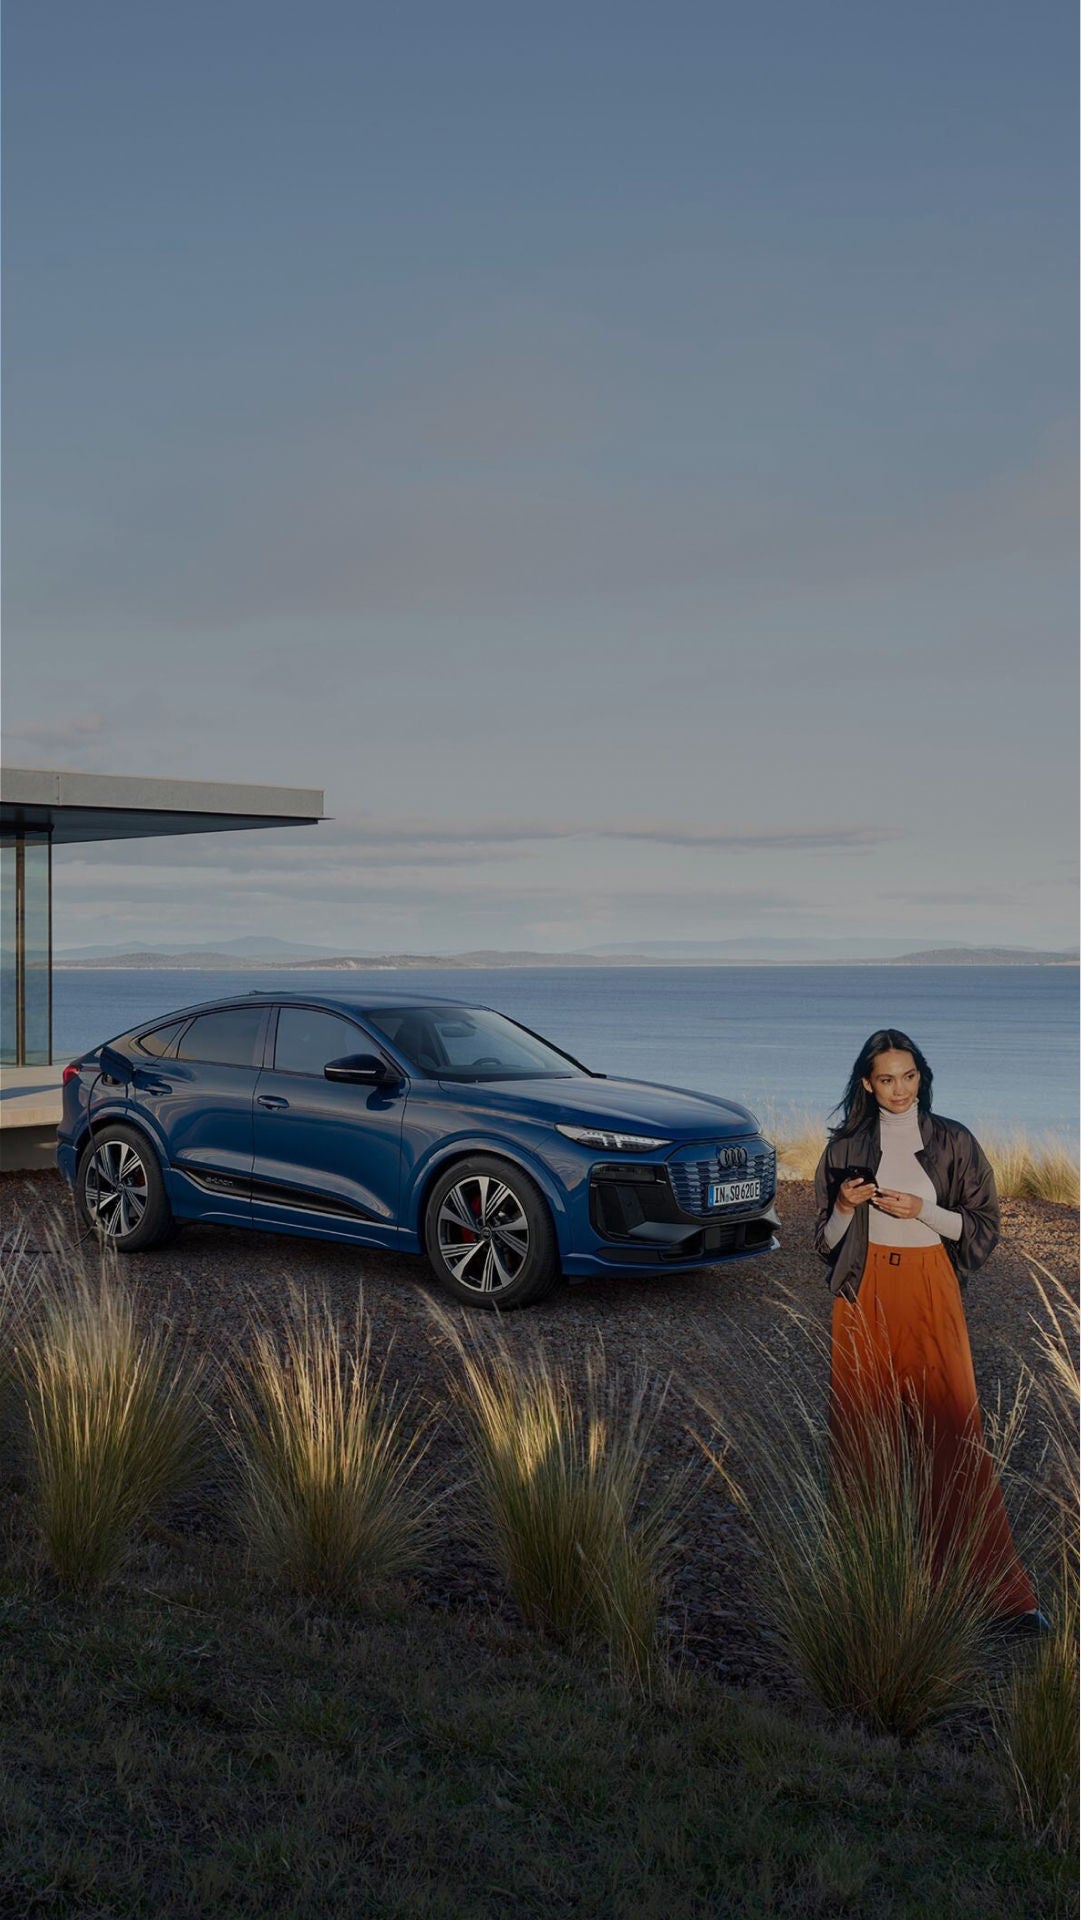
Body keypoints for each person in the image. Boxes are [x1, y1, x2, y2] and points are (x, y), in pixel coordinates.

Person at [813, 1027, 1046, 1631]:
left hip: (929, 1286)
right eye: (886, 1078)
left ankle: (999, 1594)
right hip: (864, 1295)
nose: (899, 1088)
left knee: (952, 1428)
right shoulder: (843, 1147)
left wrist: (925, 1212)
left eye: (909, 1075)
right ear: (868, 1083)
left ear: (922, 1076)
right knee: (863, 1431)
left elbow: (983, 1226)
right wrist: (843, 1209)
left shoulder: (952, 1142)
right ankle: (868, 1584)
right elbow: (825, 1244)